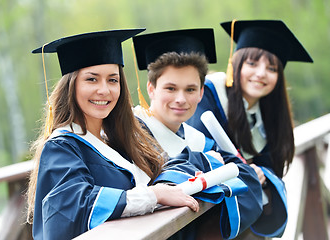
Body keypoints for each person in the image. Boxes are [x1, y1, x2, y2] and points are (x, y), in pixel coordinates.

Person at [26, 29, 203, 240]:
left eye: (113, 80)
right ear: (71, 86)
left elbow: (168, 164)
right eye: (92, 80)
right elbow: (74, 208)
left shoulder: (121, 138)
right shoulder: (62, 147)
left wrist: (171, 183)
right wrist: (154, 195)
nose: (104, 90)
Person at [187, 20, 313, 238]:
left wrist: (262, 174)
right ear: (236, 64)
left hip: (247, 218)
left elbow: (272, 166)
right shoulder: (208, 93)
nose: (261, 73)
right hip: (206, 218)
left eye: (272, 68)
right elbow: (200, 153)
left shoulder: (272, 115)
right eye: (253, 64)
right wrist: (247, 171)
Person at [132, 28, 263, 239]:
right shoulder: (130, 135)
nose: (181, 99)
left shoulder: (199, 140)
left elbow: (246, 180)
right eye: (171, 88)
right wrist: (209, 164)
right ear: (151, 88)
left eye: (190, 89)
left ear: (202, 92)